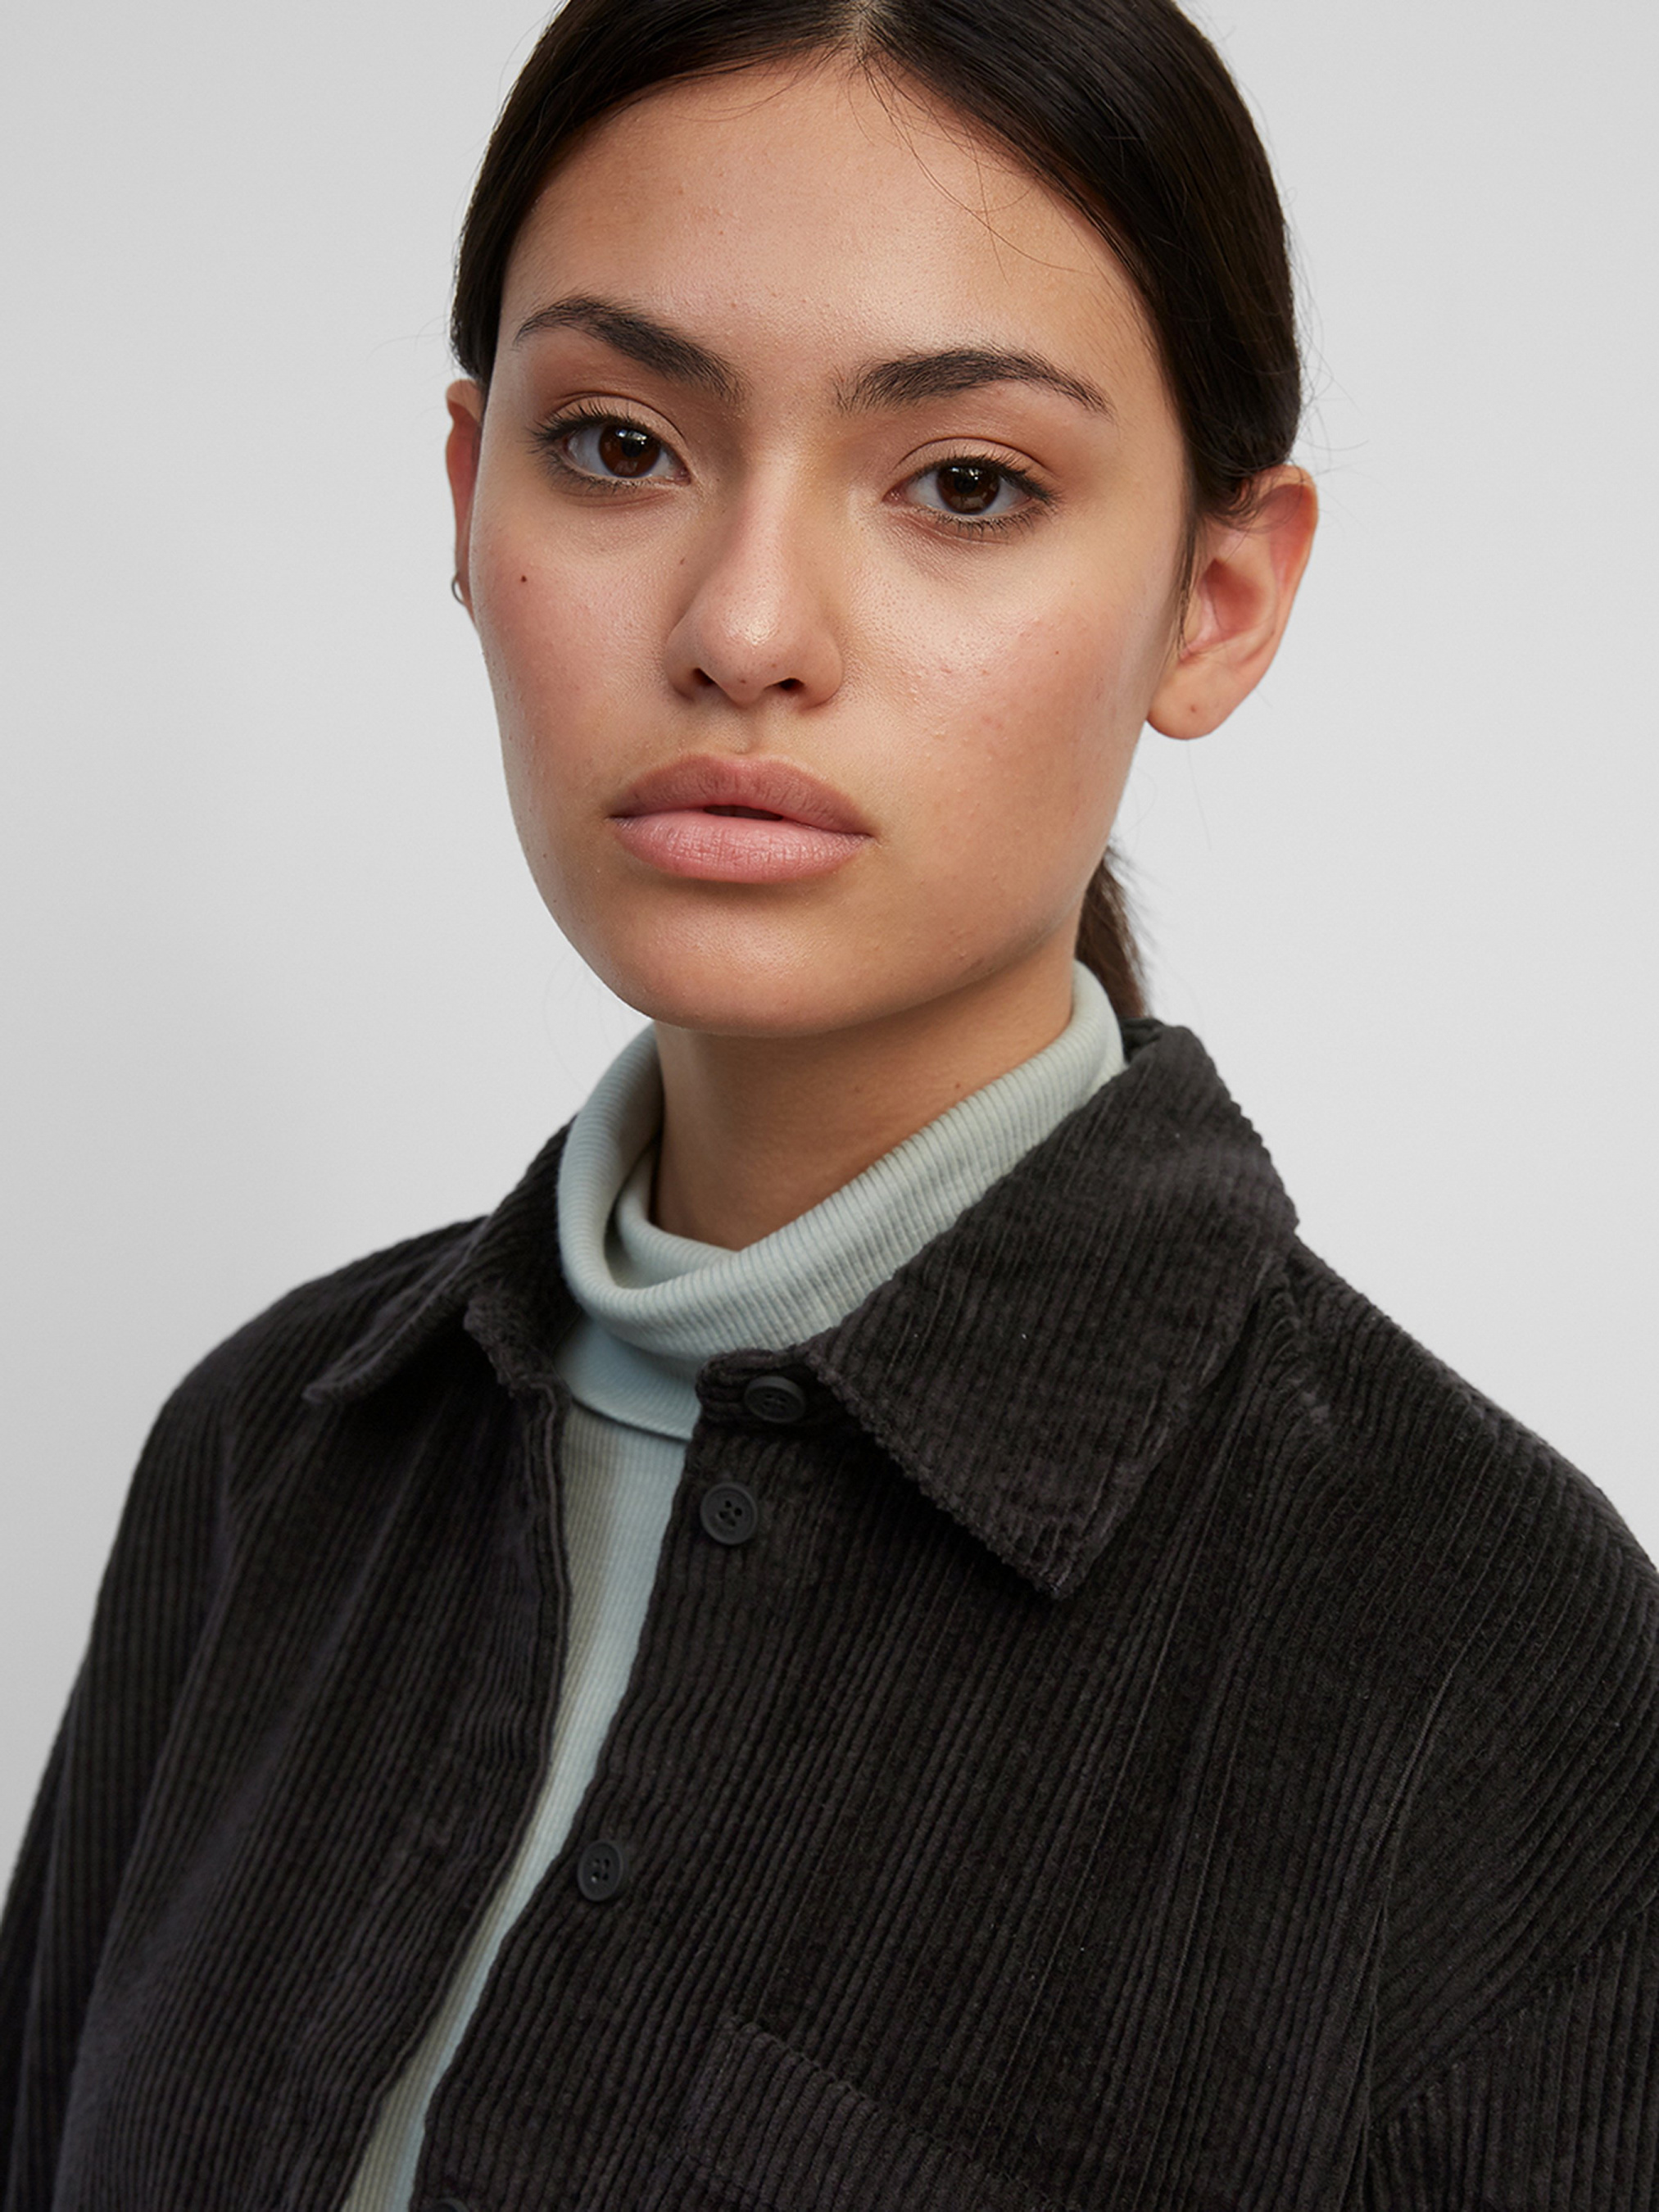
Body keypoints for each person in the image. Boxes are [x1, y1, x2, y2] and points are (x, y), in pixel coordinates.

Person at [2, 0, 1655, 2205]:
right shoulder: (263, 1458)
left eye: (965, 483)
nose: (746, 625)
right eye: (617, 445)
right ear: (466, 494)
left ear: (1218, 597)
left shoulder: (1498, 1675)